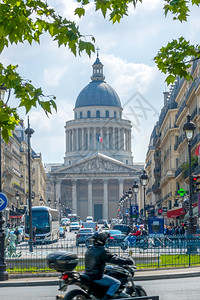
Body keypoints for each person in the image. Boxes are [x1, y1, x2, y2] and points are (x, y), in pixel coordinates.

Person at [84, 231, 133, 300]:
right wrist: (127, 261)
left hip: (88, 274)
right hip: (97, 276)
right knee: (116, 282)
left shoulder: (89, 249)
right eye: (105, 240)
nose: (106, 241)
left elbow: (110, 257)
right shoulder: (102, 251)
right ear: (102, 240)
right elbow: (114, 259)